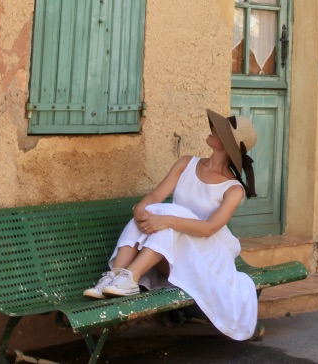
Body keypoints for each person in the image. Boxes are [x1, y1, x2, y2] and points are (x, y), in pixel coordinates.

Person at [84, 108, 260, 341]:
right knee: (153, 210)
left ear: (228, 145)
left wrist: (167, 220)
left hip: (208, 258)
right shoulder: (187, 163)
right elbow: (156, 196)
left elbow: (209, 228)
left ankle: (130, 276)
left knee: (168, 214)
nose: (213, 129)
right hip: (174, 250)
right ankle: (116, 275)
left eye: (220, 131)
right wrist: (140, 209)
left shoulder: (233, 189)